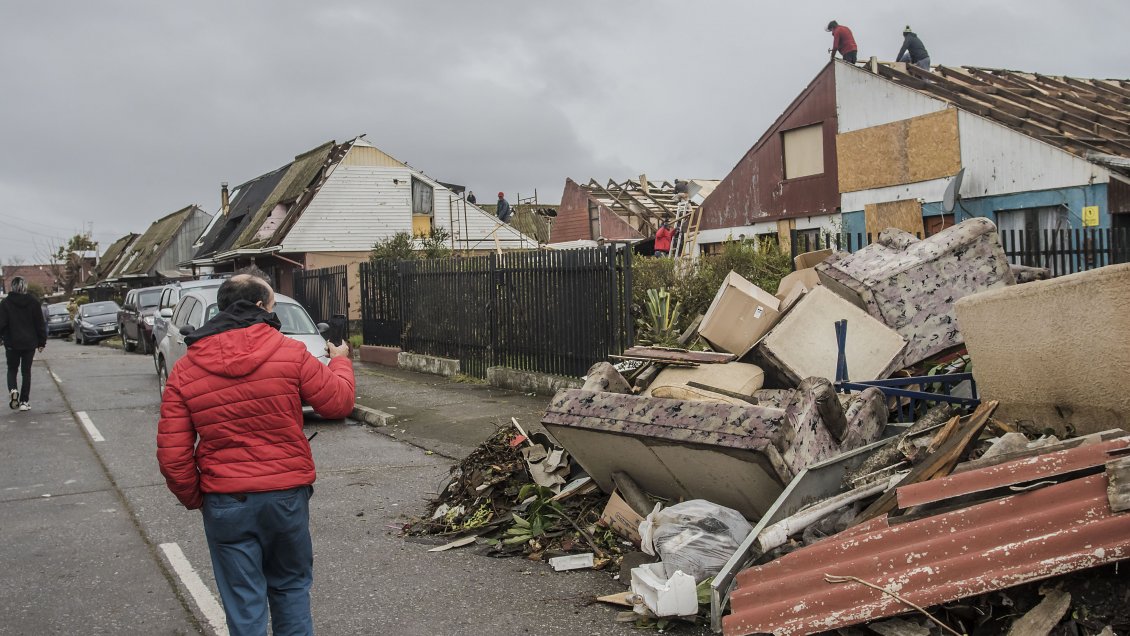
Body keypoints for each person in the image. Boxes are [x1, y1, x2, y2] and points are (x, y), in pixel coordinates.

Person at [156, 268, 355, 635]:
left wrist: (198, 498)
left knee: (243, 603)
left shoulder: (185, 370)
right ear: (262, 306)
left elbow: (173, 454)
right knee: (290, 587)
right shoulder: (290, 353)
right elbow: (338, 403)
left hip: (226, 500)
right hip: (285, 497)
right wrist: (340, 359)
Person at [0, 276, 46, 411]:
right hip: (29, 343)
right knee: (26, 372)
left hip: (12, 343)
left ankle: (13, 390)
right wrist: (41, 341)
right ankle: (24, 402)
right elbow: (40, 324)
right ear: (24, 287)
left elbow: (1, 324)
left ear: (12, 287)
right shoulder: (33, 302)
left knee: (12, 369)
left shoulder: (5, 304)